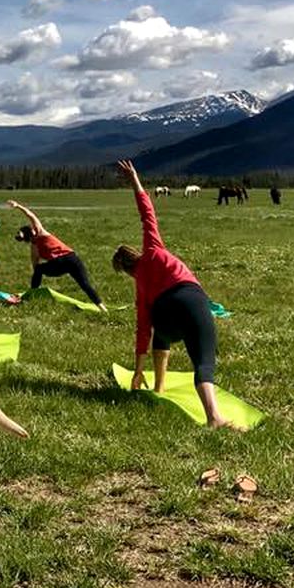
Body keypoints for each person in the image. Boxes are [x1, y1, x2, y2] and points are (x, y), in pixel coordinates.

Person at [111, 159, 231, 429]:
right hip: (191, 298)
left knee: (160, 333)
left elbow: (143, 329)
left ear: (127, 270)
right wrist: (135, 181)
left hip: (164, 313)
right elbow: (147, 213)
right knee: (203, 360)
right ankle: (214, 417)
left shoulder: (141, 285)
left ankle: (159, 386)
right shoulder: (153, 249)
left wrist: (138, 370)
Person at [6, 199, 105, 309]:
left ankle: (32, 293)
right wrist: (17, 206)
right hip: (72, 259)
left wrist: (18, 206)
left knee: (40, 269)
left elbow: (30, 215)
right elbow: (35, 263)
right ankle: (102, 308)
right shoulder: (37, 238)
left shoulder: (39, 235)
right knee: (85, 284)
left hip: (62, 262)